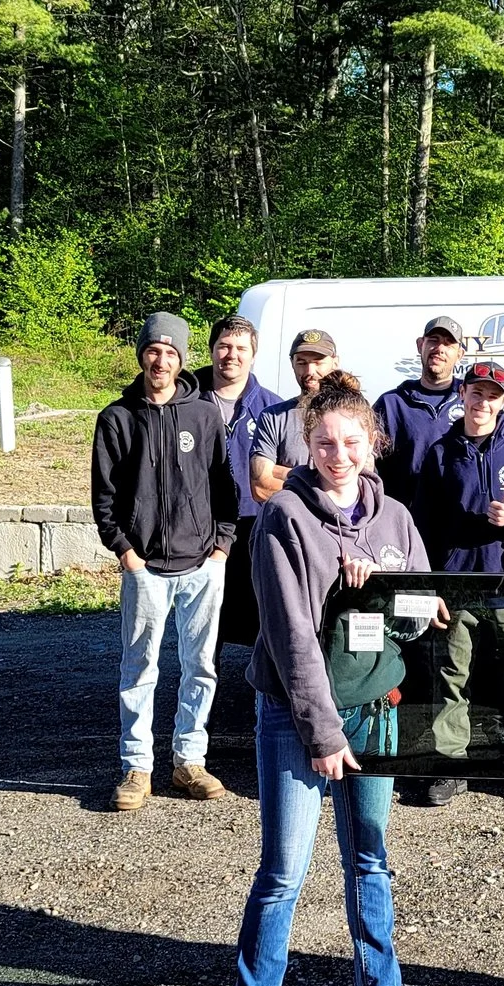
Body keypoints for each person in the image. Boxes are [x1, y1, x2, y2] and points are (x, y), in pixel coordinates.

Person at [232, 379, 446, 986]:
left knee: (371, 862)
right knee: (283, 875)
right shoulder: (285, 519)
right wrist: (322, 734)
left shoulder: (396, 520)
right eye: (325, 442)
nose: (338, 453)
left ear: (372, 444)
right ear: (307, 445)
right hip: (298, 720)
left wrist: (384, 591)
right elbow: (292, 636)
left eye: (352, 441)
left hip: (374, 707)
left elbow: (417, 619)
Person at [90, 312, 241, 812]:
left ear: (182, 360)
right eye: (153, 350)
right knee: (140, 668)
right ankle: (137, 767)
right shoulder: (116, 418)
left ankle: (188, 761)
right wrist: (127, 555)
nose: (161, 360)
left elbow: (225, 487)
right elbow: (105, 498)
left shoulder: (203, 415)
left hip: (202, 565)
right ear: (141, 355)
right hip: (145, 568)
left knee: (200, 667)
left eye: (171, 352)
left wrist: (221, 547)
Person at [412, 361, 504, 805]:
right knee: (451, 677)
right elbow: (422, 525)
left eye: (492, 395)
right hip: (456, 585)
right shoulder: (440, 452)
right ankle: (450, 763)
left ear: (503, 400)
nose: (482, 402)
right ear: (462, 396)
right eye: (475, 393)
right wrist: (429, 585)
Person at [202, 315, 287, 647]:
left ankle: (259, 698)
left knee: (259, 624)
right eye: (223, 346)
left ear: (253, 354)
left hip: (254, 530)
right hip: (200, 533)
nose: (231, 355)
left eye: (240, 348)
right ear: (211, 350)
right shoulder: (187, 399)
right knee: (204, 632)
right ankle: (202, 700)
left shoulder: (273, 407)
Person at [376, 316, 470, 503]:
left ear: (459, 354)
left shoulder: (472, 400)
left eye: (449, 344)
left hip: (460, 519)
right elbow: (368, 461)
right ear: (420, 345)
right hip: (406, 518)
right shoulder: (391, 403)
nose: (440, 349)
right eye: (433, 340)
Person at [249, 328, 340, 505]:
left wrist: (288, 474)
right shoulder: (273, 417)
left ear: (335, 362)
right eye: (302, 362)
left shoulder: (354, 415)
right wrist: (324, 491)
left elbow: (359, 483)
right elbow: (261, 486)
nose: (310, 371)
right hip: (286, 529)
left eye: (318, 362)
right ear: (292, 363)